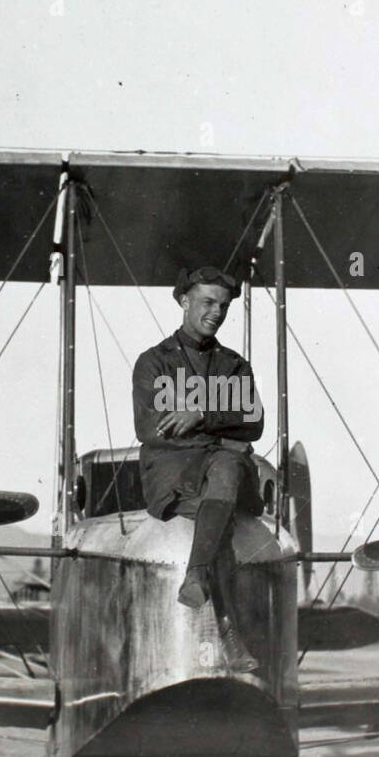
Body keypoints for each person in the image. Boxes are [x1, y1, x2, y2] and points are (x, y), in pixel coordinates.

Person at [132, 266, 265, 673]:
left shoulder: (235, 365)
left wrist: (201, 414)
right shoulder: (153, 362)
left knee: (226, 469)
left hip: (221, 470)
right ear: (184, 301)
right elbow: (151, 429)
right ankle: (228, 630)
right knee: (219, 507)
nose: (216, 312)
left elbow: (256, 422)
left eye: (223, 306)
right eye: (208, 302)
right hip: (173, 474)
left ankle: (196, 576)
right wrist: (223, 428)